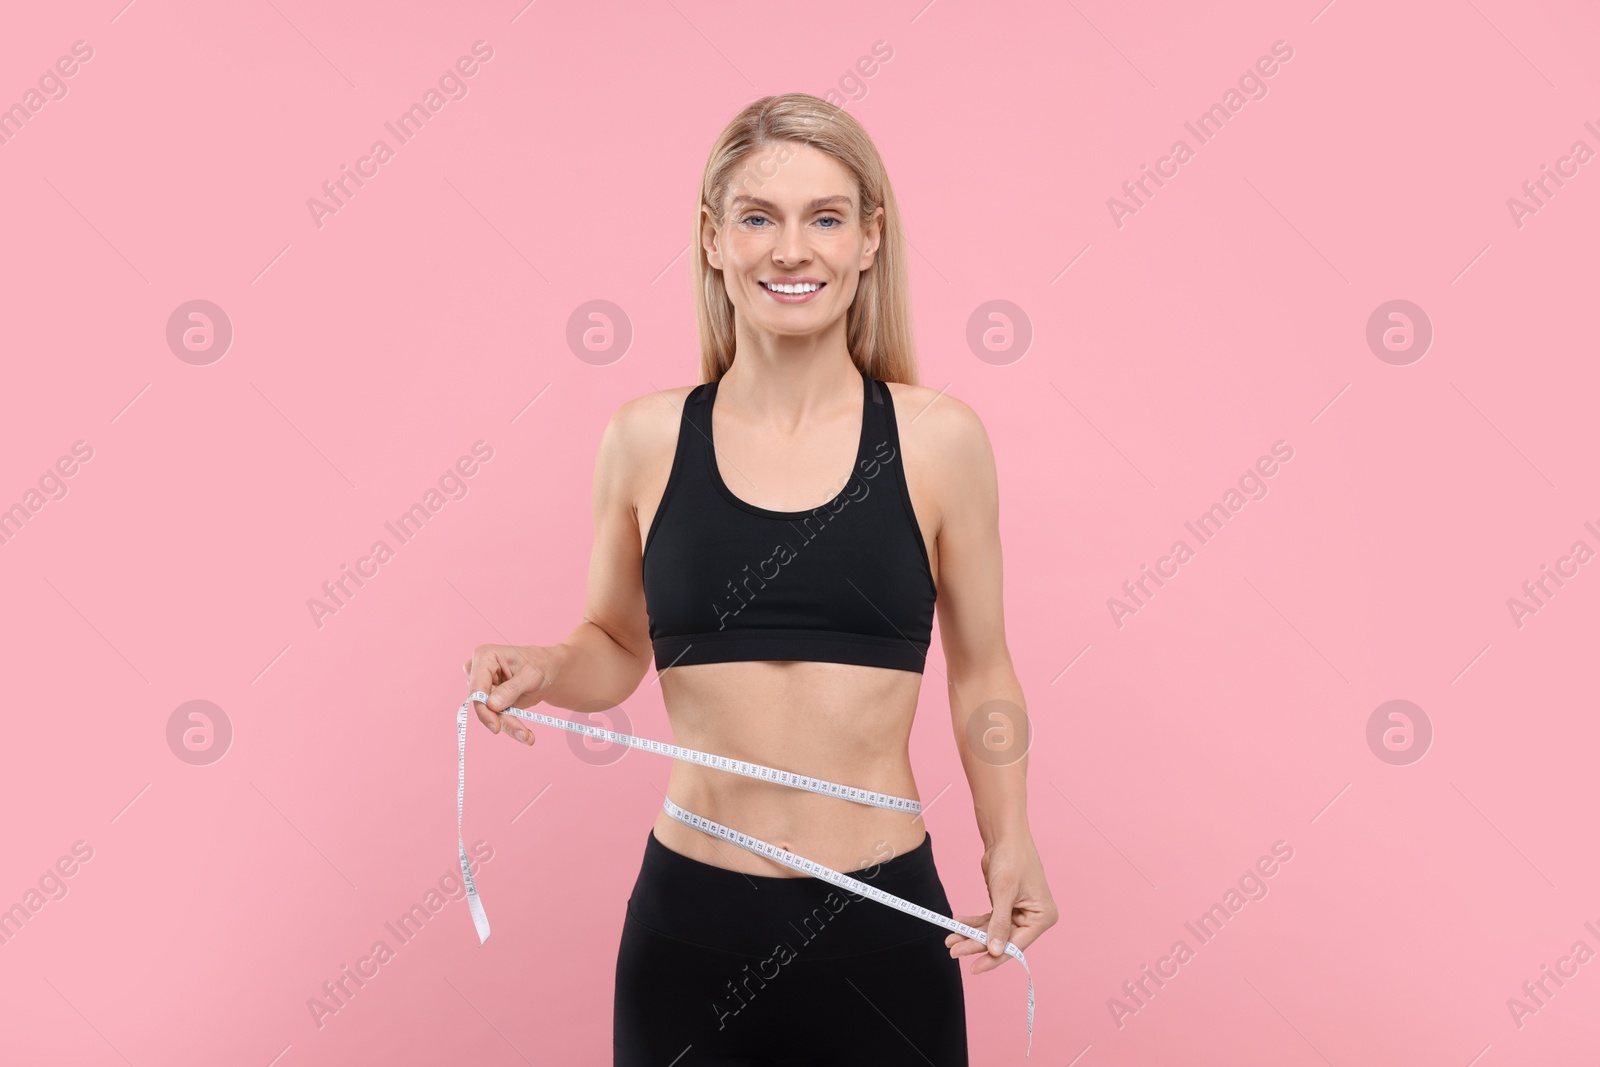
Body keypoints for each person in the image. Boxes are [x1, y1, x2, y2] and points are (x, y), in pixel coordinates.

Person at [463, 92, 1057, 1065]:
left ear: (869, 239)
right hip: (690, 925)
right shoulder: (645, 438)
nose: (792, 249)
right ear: (711, 238)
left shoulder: (938, 440)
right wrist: (542, 661)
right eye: (757, 217)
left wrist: (1009, 836)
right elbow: (614, 646)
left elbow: (983, 669)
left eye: (825, 217)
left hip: (879, 919)